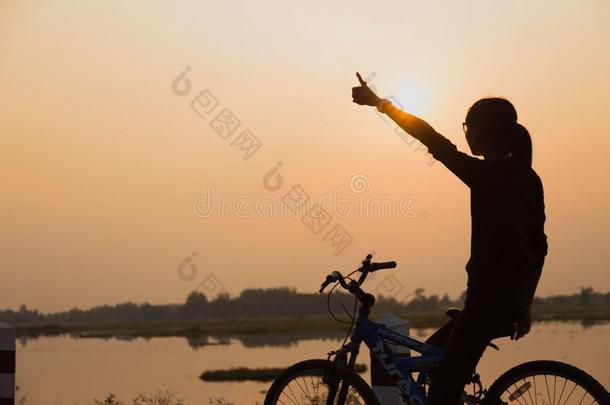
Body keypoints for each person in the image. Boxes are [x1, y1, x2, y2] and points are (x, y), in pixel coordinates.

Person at [351, 73, 548, 404]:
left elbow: (430, 138)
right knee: (433, 355)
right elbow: (539, 248)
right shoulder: (529, 179)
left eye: (468, 126)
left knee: (441, 394)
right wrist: (526, 305)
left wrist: (380, 105)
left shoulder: (485, 176)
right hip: (508, 302)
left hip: (486, 304)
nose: (466, 132)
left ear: (485, 132)